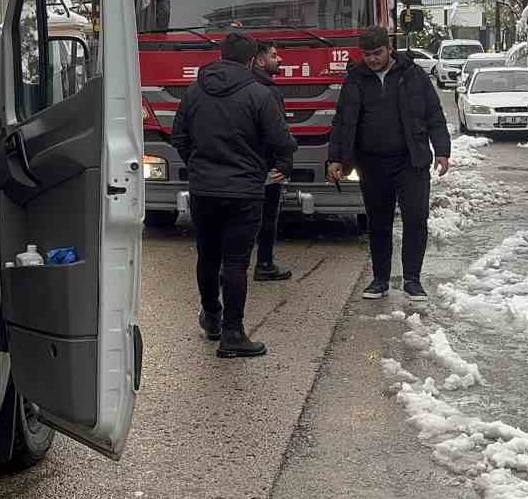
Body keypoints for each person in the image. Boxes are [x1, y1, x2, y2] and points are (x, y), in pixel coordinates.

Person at [172, 34, 298, 358]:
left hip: (203, 189)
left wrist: (198, 165)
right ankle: (233, 333)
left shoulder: (195, 91)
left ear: (222, 56)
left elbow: (179, 136)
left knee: (207, 256)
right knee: (237, 262)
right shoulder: (259, 94)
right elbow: (280, 139)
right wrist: (276, 165)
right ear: (250, 60)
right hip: (244, 191)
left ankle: (211, 317)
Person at [327, 26, 451, 301]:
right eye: (367, 54)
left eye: (377, 53)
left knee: (416, 219)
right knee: (379, 222)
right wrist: (335, 158)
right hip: (372, 164)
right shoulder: (355, 80)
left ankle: (412, 280)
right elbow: (343, 122)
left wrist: (442, 150)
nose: (372, 59)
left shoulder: (414, 76)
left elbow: (434, 115)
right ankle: (380, 279)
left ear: (389, 49)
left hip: (411, 161)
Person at [250, 41, 292, 282]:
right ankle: (264, 264)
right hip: (266, 165)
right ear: (259, 60)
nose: (280, 60)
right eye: (275, 56)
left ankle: (228, 268)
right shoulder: (268, 91)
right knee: (266, 216)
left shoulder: (243, 86)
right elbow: (279, 133)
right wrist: (284, 163)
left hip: (242, 165)